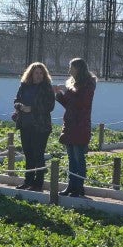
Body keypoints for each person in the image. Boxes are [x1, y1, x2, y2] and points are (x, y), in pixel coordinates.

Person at [54, 57, 97, 197]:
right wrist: (58, 94)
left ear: (79, 68)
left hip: (80, 126)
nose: (69, 70)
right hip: (70, 125)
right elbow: (69, 104)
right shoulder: (73, 85)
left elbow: (81, 102)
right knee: (71, 158)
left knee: (79, 158)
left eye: (71, 67)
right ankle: (71, 186)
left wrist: (66, 91)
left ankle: (79, 187)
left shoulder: (88, 83)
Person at [13, 62, 54, 191]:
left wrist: (32, 109)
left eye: (41, 73)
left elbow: (50, 106)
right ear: (31, 73)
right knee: (28, 154)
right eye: (36, 73)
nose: (39, 75)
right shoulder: (24, 86)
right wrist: (20, 107)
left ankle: (38, 183)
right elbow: (16, 100)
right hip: (25, 124)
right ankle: (28, 181)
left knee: (38, 154)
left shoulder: (47, 87)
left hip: (41, 126)